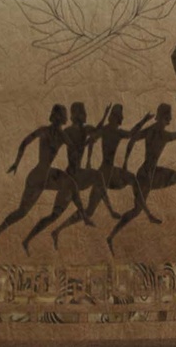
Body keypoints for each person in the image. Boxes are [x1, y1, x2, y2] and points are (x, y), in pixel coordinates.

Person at [49, 105, 155, 248]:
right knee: (90, 210)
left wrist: (144, 120)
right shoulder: (111, 131)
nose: (116, 119)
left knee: (131, 180)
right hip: (106, 172)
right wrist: (144, 120)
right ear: (116, 118)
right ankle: (57, 230)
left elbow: (92, 141)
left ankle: (146, 212)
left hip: (108, 170)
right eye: (116, 116)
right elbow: (94, 140)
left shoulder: (110, 130)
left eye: (116, 116)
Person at [106, 104, 176, 253]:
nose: (170, 119)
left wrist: (126, 161)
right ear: (164, 116)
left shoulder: (151, 130)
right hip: (145, 176)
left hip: (152, 173)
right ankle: (111, 236)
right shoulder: (160, 133)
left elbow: (132, 140)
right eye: (168, 116)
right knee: (136, 210)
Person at [19, 103, 109, 254]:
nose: (85, 115)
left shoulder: (84, 130)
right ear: (76, 115)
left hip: (76, 176)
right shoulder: (67, 132)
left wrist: (104, 117)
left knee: (96, 177)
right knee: (54, 215)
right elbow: (76, 146)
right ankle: (28, 239)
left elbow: (96, 131)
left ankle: (67, 225)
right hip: (71, 176)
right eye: (83, 112)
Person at [0, 104, 73, 251]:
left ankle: (52, 219)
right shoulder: (50, 132)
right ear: (58, 117)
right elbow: (24, 143)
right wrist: (16, 163)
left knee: (70, 184)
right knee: (22, 212)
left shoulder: (57, 134)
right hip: (38, 177)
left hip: (46, 175)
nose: (65, 118)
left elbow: (75, 149)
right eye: (63, 114)